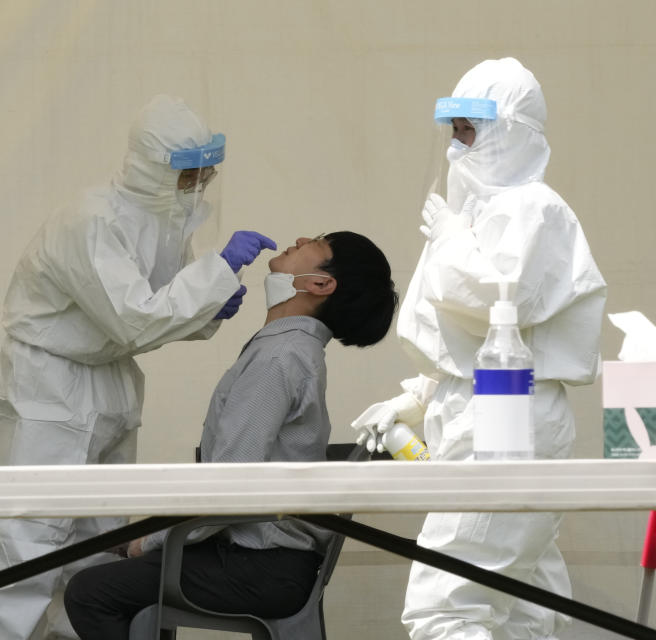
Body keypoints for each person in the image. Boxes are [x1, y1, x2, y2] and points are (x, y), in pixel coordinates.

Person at [0, 94, 277, 640]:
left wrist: (210, 306)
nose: (200, 184)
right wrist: (216, 274)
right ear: (152, 165)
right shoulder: (91, 221)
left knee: (99, 535)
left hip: (107, 379)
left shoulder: (160, 220)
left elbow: (160, 307)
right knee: (30, 536)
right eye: (189, 173)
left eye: (206, 172)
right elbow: (135, 319)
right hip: (50, 383)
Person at [351, 58, 607, 639]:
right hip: (492, 409)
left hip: (503, 420)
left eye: (470, 130)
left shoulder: (534, 208)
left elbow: (500, 301)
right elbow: (475, 341)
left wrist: (449, 240)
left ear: (510, 129)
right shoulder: (491, 208)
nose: (456, 148)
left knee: (446, 609)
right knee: (523, 610)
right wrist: (419, 395)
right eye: (454, 130)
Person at [62, 231, 399, 640]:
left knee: (89, 591)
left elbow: (228, 484)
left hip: (261, 567)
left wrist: (148, 543)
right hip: (271, 560)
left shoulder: (278, 357)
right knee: (115, 575)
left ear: (320, 284)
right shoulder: (287, 349)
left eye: (319, 242)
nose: (302, 237)